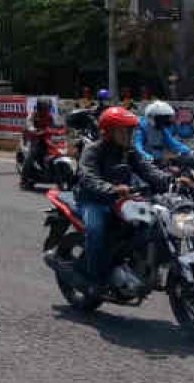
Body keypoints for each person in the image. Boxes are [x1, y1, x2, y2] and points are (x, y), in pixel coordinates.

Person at [74, 107, 177, 290]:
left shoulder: (128, 150)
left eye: (131, 130)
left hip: (123, 198)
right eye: (124, 130)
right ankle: (94, 278)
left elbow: (147, 169)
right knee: (96, 230)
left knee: (154, 222)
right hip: (93, 199)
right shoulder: (93, 150)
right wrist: (112, 188)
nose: (129, 134)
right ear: (109, 131)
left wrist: (171, 179)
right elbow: (88, 176)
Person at [24, 97, 56, 172]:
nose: (47, 110)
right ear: (40, 107)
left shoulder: (50, 117)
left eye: (48, 108)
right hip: (33, 138)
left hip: (45, 138)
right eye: (45, 108)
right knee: (31, 154)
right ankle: (24, 176)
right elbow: (29, 125)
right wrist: (33, 129)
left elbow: (54, 126)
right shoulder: (32, 115)